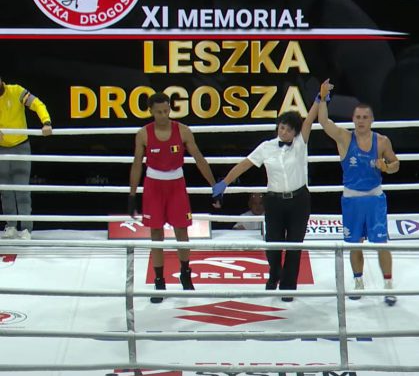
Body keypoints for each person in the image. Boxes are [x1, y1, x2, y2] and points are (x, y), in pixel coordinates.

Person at [212, 80, 332, 302]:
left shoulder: (300, 142)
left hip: (299, 200)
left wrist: (319, 97)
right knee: (273, 244)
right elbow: (245, 164)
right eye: (281, 127)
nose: (283, 131)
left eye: (288, 128)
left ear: (294, 132)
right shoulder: (266, 147)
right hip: (275, 202)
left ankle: (288, 287)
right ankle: (274, 273)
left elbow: (309, 120)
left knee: (294, 245)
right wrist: (224, 183)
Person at [129, 92, 218, 303]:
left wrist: (214, 185)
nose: (163, 115)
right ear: (151, 111)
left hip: (177, 185)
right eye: (159, 112)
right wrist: (132, 195)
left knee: (182, 231)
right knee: (156, 234)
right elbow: (136, 165)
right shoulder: (143, 134)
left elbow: (199, 158)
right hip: (153, 186)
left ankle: (185, 275)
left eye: (166, 110)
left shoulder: (183, 131)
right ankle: (159, 281)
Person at [317, 79, 399, 306]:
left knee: (382, 243)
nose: (361, 120)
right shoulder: (345, 138)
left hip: (374, 198)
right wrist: (322, 98)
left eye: (365, 117)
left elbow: (396, 164)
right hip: (352, 199)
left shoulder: (382, 141)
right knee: (355, 243)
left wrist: (386, 167)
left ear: (371, 120)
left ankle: (389, 285)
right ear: (353, 119)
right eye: (358, 117)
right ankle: (358, 282)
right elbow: (323, 122)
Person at [0, 76, 52, 240]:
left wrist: (46, 122)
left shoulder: (16, 91)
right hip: (1, 148)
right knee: (5, 191)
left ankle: (26, 228)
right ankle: (10, 225)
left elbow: (37, 104)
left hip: (20, 146)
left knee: (22, 189)